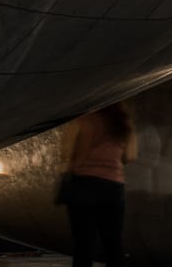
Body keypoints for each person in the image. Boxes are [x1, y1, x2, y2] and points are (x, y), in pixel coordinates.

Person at [59, 103, 134, 267]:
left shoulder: (83, 119)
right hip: (113, 187)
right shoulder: (123, 122)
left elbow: (65, 152)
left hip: (83, 185)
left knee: (83, 245)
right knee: (113, 244)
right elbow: (130, 156)